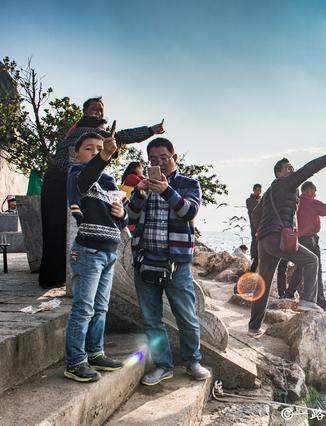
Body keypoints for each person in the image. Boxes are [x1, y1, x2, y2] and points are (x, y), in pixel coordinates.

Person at [39, 102, 164, 289]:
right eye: (95, 109)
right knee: (60, 229)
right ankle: (61, 277)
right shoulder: (89, 131)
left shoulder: (72, 132)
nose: (98, 113)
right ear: (86, 113)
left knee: (55, 230)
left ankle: (52, 277)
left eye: (101, 110)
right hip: (64, 181)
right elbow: (122, 136)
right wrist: (150, 130)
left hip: (56, 181)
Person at [126, 137, 210, 386]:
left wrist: (167, 190)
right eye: (152, 159)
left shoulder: (188, 183)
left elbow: (189, 212)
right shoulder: (143, 186)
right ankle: (164, 365)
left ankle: (193, 361)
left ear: (174, 157)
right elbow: (129, 215)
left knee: (186, 315)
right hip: (145, 259)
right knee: (152, 319)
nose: (158, 163)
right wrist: (140, 193)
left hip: (177, 263)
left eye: (163, 158)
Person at [248, 145, 326, 336]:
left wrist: (260, 231)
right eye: (288, 168)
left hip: (264, 241)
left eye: (292, 168)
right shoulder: (286, 183)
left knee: (263, 284)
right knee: (312, 260)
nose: (292, 170)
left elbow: (255, 214)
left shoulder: (269, 191)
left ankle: (253, 328)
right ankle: (308, 301)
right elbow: (308, 169)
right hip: (278, 237)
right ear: (279, 173)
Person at [64, 131, 128, 382]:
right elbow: (86, 176)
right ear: (77, 154)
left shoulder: (110, 181)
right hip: (88, 252)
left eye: (99, 148)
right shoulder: (77, 175)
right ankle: (75, 361)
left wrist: (121, 212)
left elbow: (121, 221)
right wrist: (103, 156)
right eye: (88, 149)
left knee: (101, 307)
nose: (94, 152)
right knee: (84, 308)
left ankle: (95, 352)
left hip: (109, 251)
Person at [245, 183, 261, 272]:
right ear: (254, 190)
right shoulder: (249, 200)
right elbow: (253, 211)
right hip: (254, 228)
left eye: (260, 191)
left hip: (262, 228)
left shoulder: (261, 200)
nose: (259, 192)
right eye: (257, 190)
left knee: (260, 253)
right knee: (255, 254)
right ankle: (251, 273)